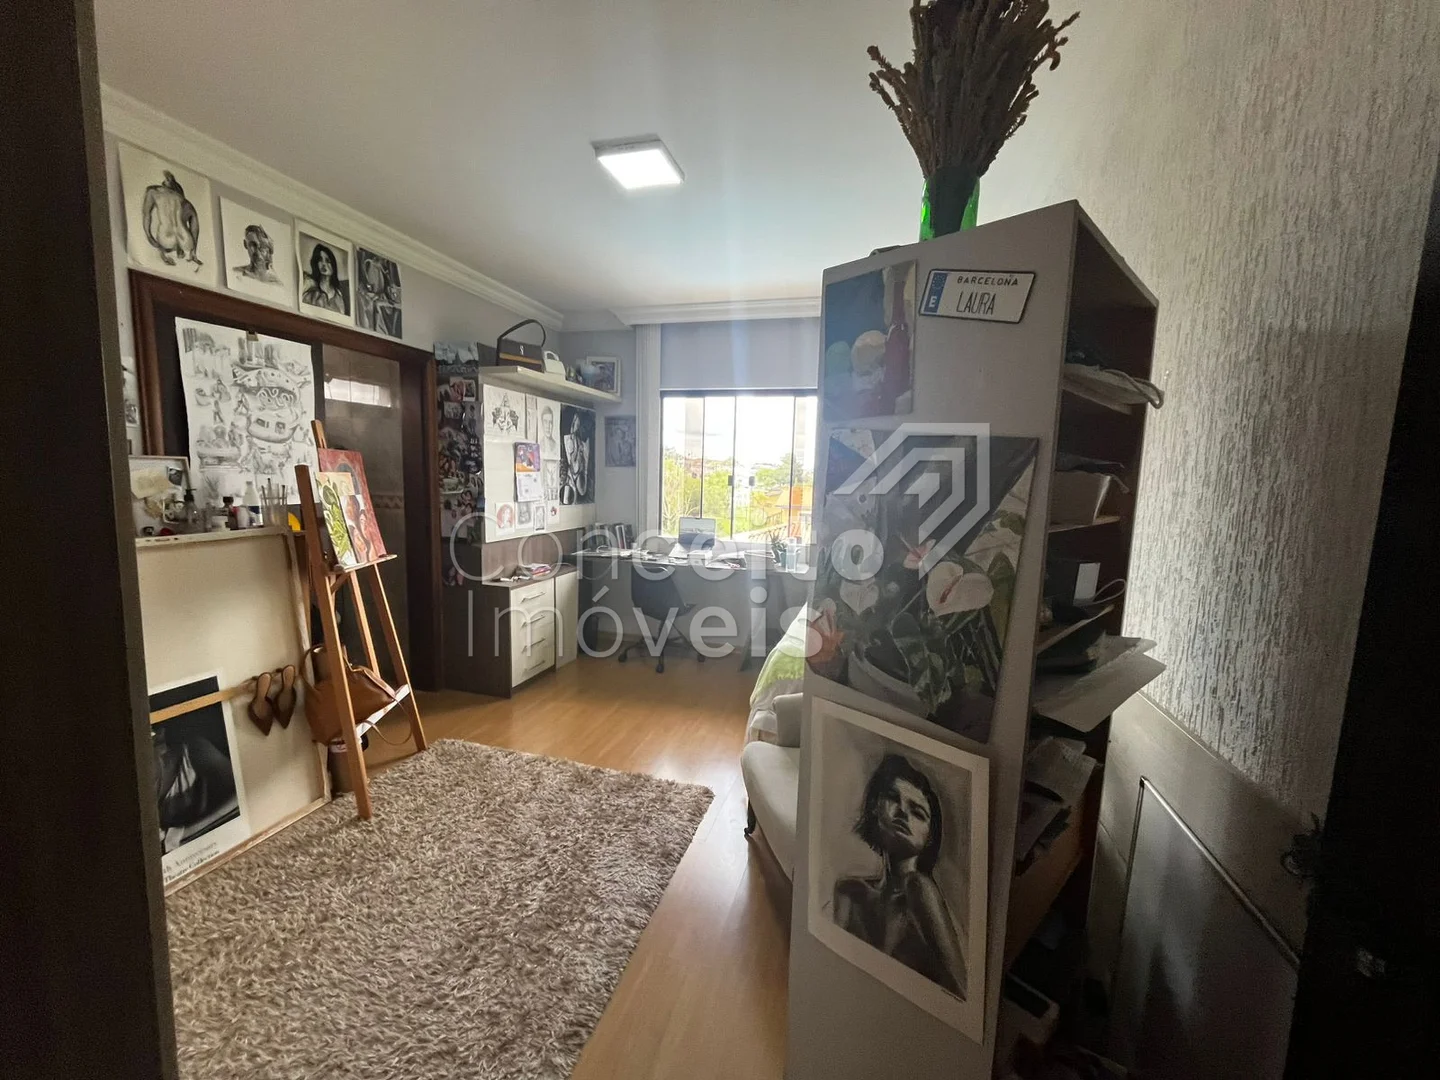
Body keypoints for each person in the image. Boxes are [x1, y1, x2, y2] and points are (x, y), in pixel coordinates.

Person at [834, 753, 967, 997]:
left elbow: (961, 991)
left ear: (929, 837)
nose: (903, 812)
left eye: (918, 813)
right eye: (893, 798)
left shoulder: (918, 888)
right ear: (875, 807)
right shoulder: (849, 891)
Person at [302, 240, 349, 315]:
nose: (323, 264)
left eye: (328, 261)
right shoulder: (311, 290)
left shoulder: (338, 295)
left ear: (333, 265)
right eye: (320, 260)